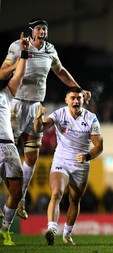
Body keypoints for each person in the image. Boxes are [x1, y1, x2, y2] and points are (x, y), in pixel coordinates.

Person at [0, 18, 91, 220]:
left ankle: (20, 197)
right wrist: (18, 62)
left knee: (31, 156)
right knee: (8, 153)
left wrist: (78, 89)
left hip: (36, 106)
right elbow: (2, 71)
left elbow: (60, 72)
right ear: (32, 31)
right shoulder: (17, 47)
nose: (43, 32)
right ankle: (10, 196)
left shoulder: (50, 50)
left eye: (45, 29)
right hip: (16, 104)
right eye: (39, 29)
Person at [33, 87, 103, 246]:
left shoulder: (91, 119)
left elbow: (99, 146)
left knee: (74, 200)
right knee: (56, 193)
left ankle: (67, 234)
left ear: (83, 100)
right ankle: (51, 229)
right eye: (73, 98)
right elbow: (39, 128)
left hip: (81, 164)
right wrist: (38, 118)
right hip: (61, 160)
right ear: (67, 100)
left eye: (79, 98)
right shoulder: (59, 114)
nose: (76, 101)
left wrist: (87, 156)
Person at [0, 32, 29, 246]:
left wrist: (24, 54)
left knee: (17, 192)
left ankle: (4, 230)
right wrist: (14, 63)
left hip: (8, 146)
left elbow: (18, 76)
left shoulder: (6, 94)